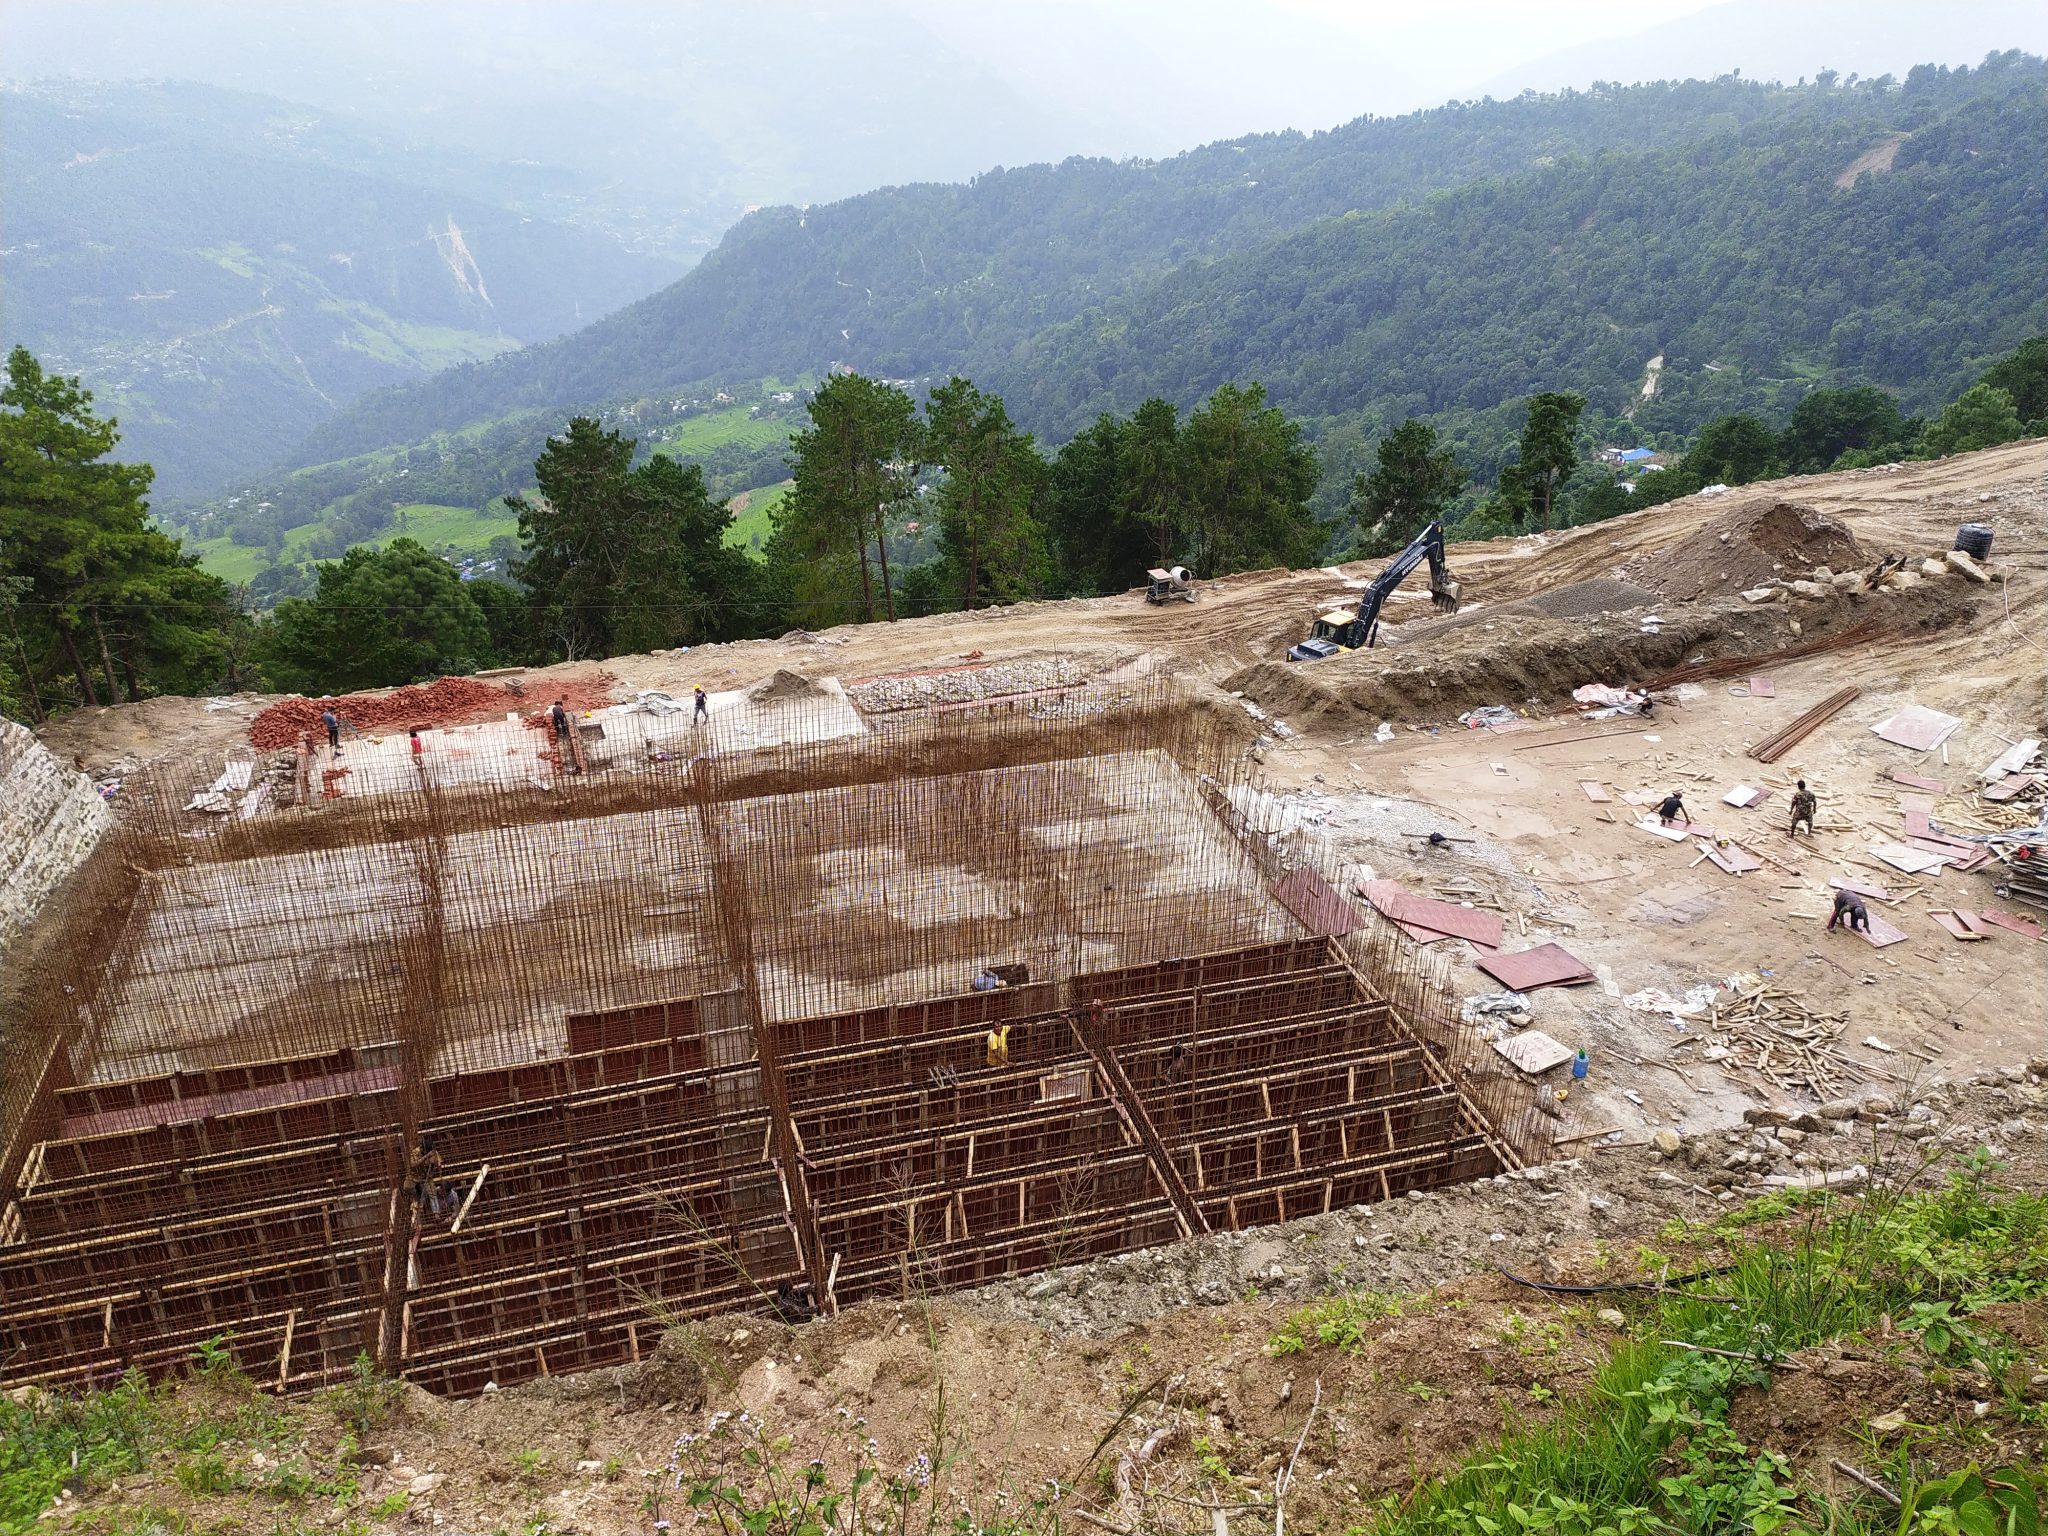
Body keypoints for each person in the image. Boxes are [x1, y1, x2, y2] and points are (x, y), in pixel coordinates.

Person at [406, 1136, 445, 1218]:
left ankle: (436, 1212)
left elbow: (440, 1166)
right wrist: (425, 1157)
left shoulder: (434, 1153)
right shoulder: (416, 1152)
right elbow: (412, 1164)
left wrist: (435, 1162)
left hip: (427, 1176)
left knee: (432, 1192)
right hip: (414, 1176)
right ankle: (415, 1201)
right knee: (407, 1187)